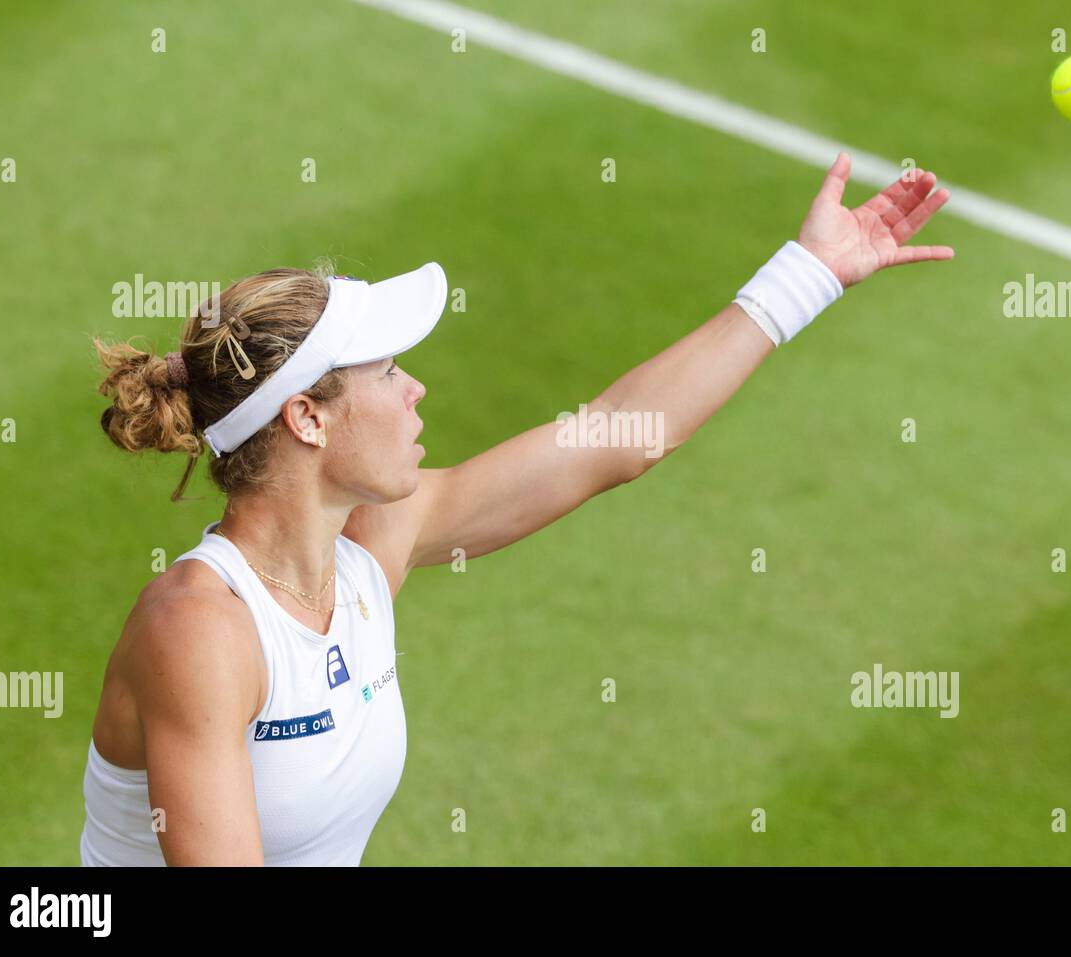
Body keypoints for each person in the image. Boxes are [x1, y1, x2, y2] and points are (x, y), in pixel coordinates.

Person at [81, 153, 953, 865]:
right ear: (307, 417)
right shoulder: (199, 631)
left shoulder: (369, 549)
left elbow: (617, 435)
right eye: (387, 372)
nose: (417, 389)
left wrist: (804, 277)